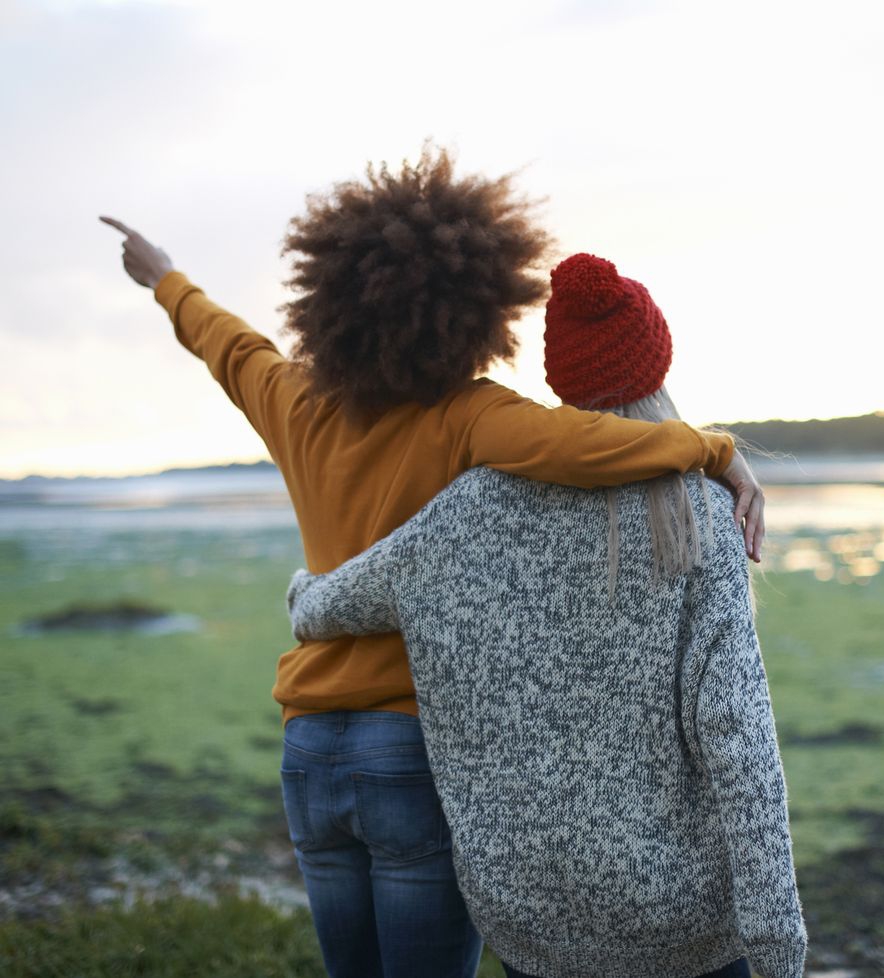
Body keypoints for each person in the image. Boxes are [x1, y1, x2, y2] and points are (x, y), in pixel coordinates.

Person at [100, 148, 763, 978]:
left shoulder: (295, 401)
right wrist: (714, 449)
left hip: (307, 746)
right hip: (407, 749)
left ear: (332, 303)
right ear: (473, 309)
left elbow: (228, 345)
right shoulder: (468, 415)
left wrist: (164, 277)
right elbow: (584, 441)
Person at [287, 253, 805, 978]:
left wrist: (300, 590)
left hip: (532, 925)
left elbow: (323, 607)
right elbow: (738, 735)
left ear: (559, 381)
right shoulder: (703, 519)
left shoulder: (466, 514)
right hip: (683, 925)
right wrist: (780, 947)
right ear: (658, 367)